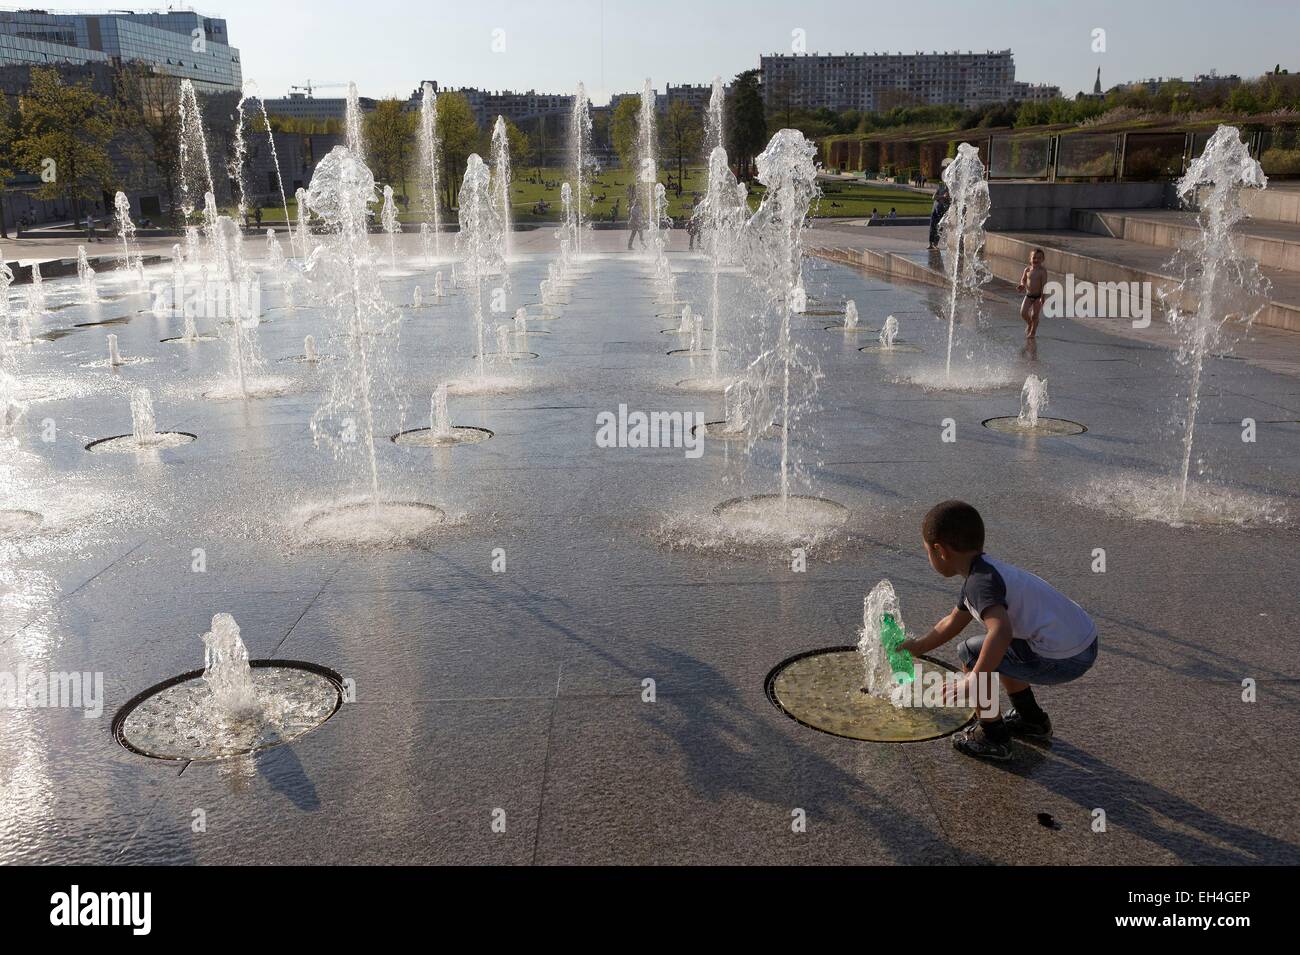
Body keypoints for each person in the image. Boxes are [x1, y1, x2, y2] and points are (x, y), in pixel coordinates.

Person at [899, 501, 1098, 762]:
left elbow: (1001, 632)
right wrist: (918, 647)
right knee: (994, 650)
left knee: (971, 652)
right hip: (1084, 642)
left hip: (1064, 658)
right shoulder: (986, 572)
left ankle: (993, 737)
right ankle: (1031, 719)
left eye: (927, 551)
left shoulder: (979, 584)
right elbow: (952, 621)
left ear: (940, 550)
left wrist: (974, 679)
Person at [1017, 248, 1048, 339]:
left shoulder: (1042, 271)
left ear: (1043, 260)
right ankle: (1030, 323)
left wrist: (1043, 297)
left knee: (1035, 315)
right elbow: (1023, 280)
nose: (1036, 260)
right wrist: (1022, 285)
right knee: (1023, 312)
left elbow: (1044, 285)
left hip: (1038, 297)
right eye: (1034, 257)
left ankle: (1033, 331)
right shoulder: (1027, 270)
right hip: (1028, 295)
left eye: (1039, 258)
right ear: (1030, 259)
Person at [928, 179, 951, 249]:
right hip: (935, 210)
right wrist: (943, 197)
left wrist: (948, 198)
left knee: (940, 228)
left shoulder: (952, 191)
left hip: (943, 212)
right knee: (932, 226)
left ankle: (935, 244)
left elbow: (951, 201)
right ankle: (930, 244)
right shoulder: (940, 188)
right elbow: (934, 197)